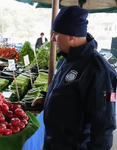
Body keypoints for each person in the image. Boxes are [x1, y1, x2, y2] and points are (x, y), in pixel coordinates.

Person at [31, 6, 116, 150]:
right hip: (53, 142)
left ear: (72, 35)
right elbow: (71, 96)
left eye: (56, 34)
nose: (52, 39)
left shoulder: (99, 70)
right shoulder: (66, 59)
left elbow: (103, 127)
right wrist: (49, 100)